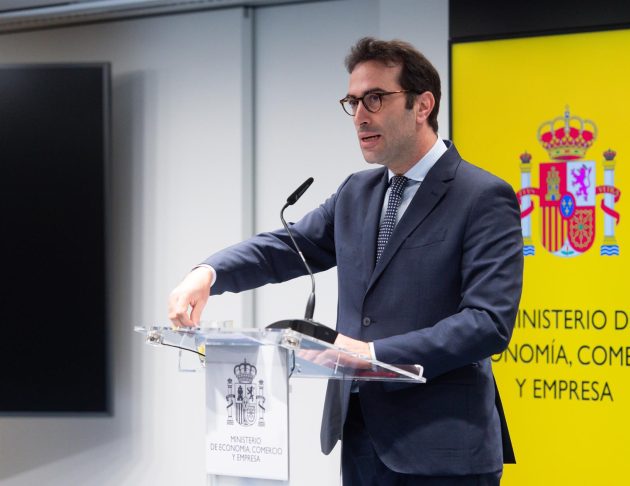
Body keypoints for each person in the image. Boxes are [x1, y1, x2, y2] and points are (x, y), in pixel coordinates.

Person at [169, 37, 523, 486]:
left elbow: (487, 323)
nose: (359, 116)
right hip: (361, 438)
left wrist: (372, 355)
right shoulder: (357, 192)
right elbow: (288, 246)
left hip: (445, 448)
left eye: (375, 98)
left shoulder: (481, 196)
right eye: (352, 102)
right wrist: (208, 273)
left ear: (422, 105)